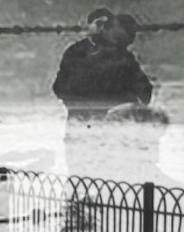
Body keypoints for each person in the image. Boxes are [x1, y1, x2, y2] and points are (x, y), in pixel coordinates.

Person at [53, 11, 154, 178]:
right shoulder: (121, 57)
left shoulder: (78, 52)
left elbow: (59, 88)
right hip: (104, 128)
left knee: (84, 178)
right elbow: (145, 93)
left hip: (82, 124)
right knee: (104, 180)